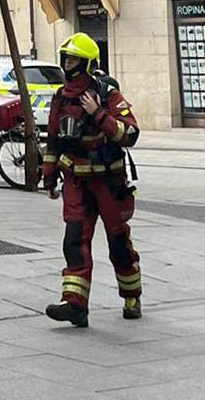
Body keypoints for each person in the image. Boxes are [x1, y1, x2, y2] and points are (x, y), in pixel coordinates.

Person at [41, 33, 142, 328]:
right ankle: (75, 306)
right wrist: (48, 177)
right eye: (65, 60)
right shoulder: (61, 97)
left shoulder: (108, 93)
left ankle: (132, 296)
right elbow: (54, 141)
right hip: (77, 183)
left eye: (72, 60)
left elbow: (131, 134)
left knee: (118, 243)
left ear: (86, 64)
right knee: (74, 241)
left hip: (109, 183)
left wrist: (97, 114)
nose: (67, 65)